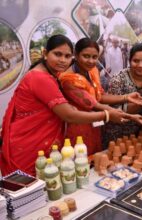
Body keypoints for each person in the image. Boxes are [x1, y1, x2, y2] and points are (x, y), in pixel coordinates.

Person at [0, 35, 133, 176]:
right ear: (45, 53)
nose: (63, 60)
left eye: (67, 56)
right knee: (31, 189)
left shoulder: (51, 75)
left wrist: (121, 105)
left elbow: (96, 99)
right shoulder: (40, 78)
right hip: (30, 144)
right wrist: (107, 115)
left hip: (45, 139)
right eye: (57, 54)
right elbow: (69, 114)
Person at [59, 38, 142, 155]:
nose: (90, 61)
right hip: (79, 125)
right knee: (81, 159)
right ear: (76, 55)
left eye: (94, 57)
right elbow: (94, 105)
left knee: (95, 158)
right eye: (86, 56)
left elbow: (100, 96)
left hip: (95, 123)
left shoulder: (92, 70)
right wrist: (130, 116)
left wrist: (126, 97)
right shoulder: (68, 79)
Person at [102, 43, 142, 147]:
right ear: (129, 61)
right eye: (136, 61)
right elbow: (113, 111)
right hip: (119, 135)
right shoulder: (118, 80)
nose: (140, 65)